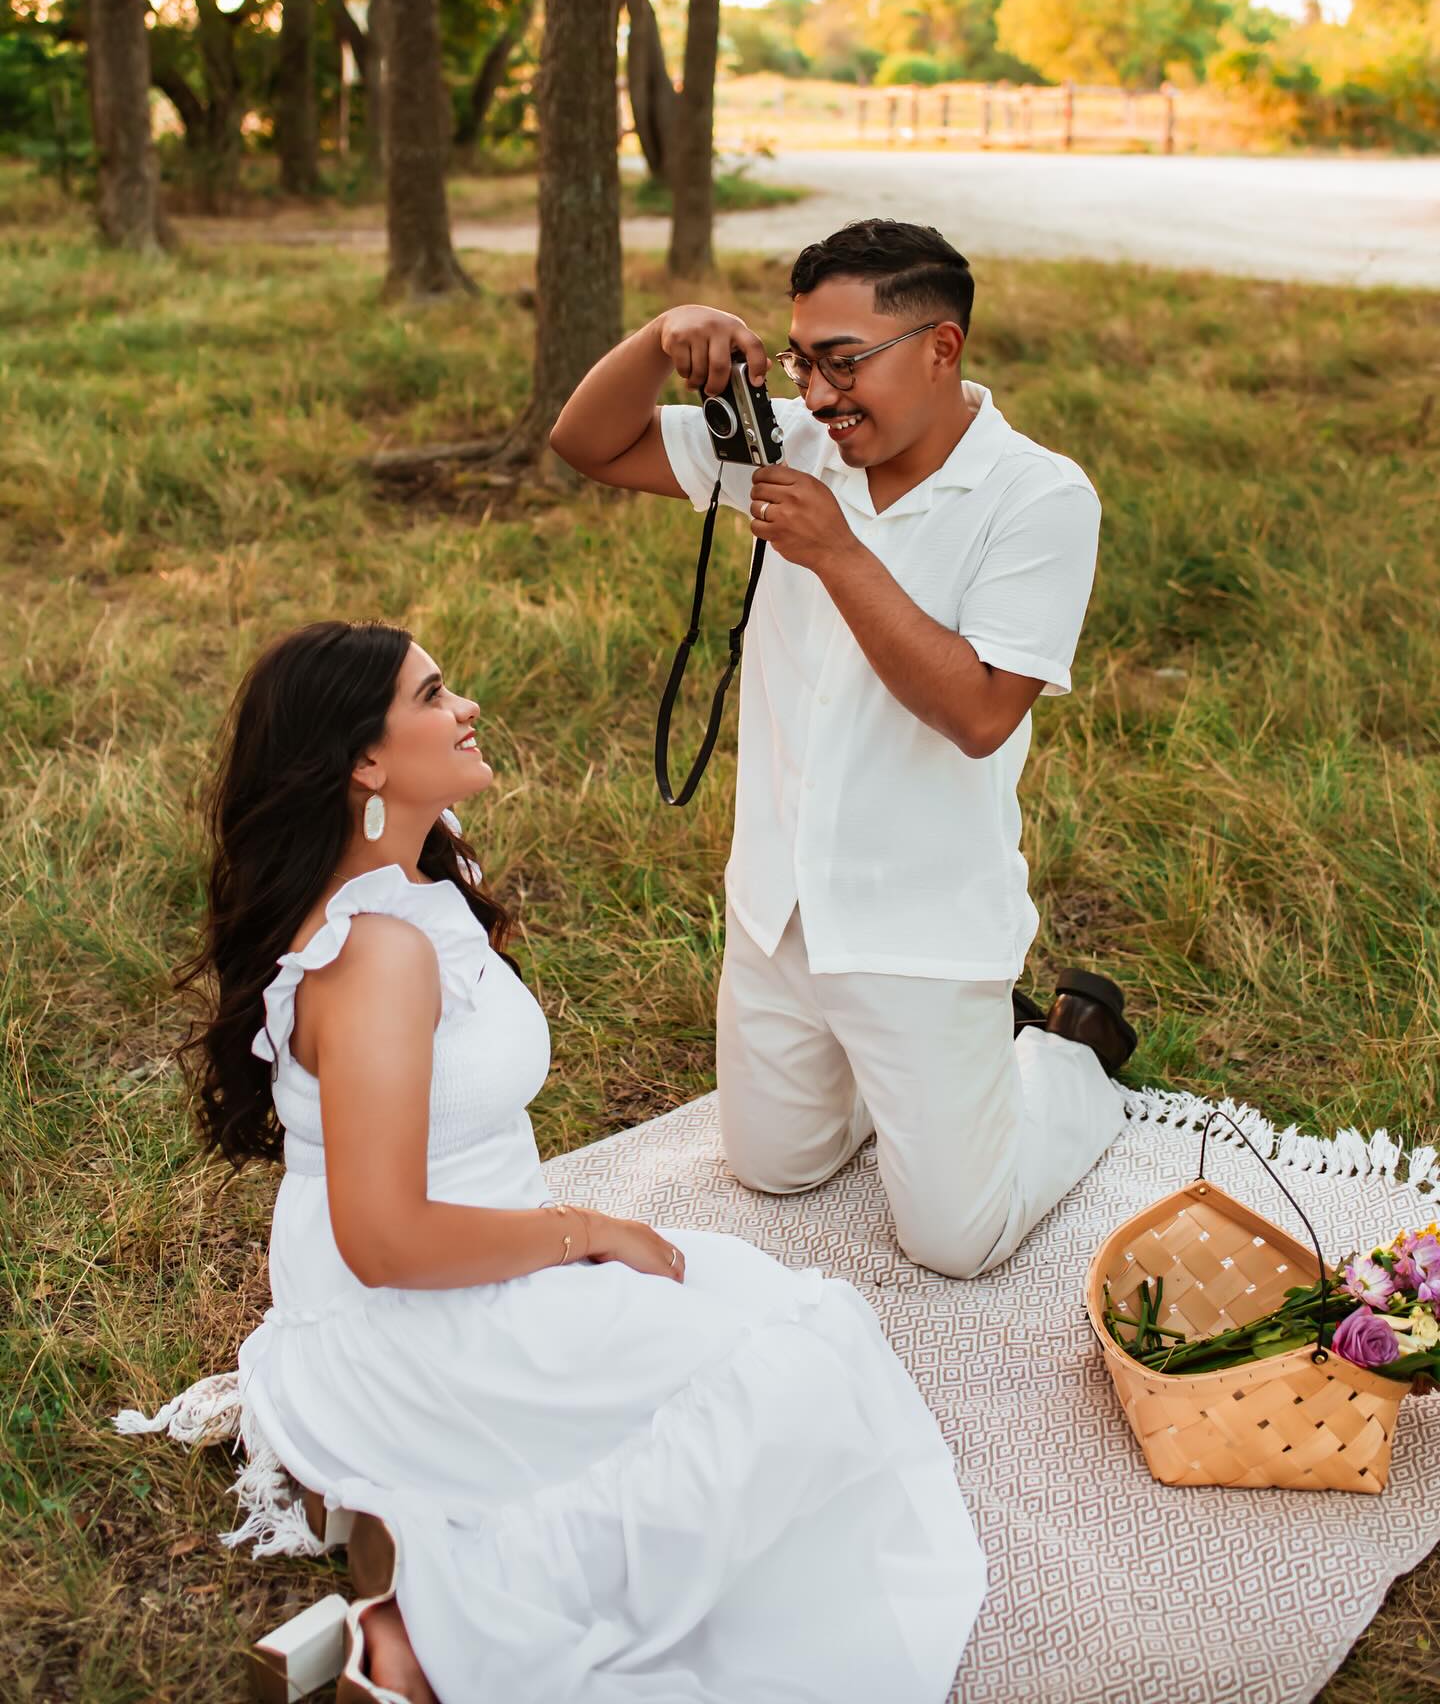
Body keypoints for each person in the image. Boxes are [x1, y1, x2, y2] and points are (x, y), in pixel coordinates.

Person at [131, 619, 984, 1704]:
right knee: (800, 1378)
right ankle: (433, 1626)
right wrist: (584, 1234)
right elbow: (385, 1239)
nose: (467, 708)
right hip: (413, 1313)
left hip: (477, 1257)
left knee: (777, 1329)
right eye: (434, 695)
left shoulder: (419, 891)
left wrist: (556, 1239)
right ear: (366, 761)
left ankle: (419, 1532)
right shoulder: (377, 957)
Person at [550, 218, 1135, 1282]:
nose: (818, 396)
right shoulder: (788, 450)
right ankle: (914, 1079)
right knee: (776, 1168)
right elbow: (588, 444)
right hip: (779, 904)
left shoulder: (1039, 495)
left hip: (922, 918)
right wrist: (657, 337)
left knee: (957, 1243)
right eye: (801, 360)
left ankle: (1065, 1058)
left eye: (844, 362)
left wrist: (835, 550)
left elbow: (979, 714)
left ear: (942, 348)